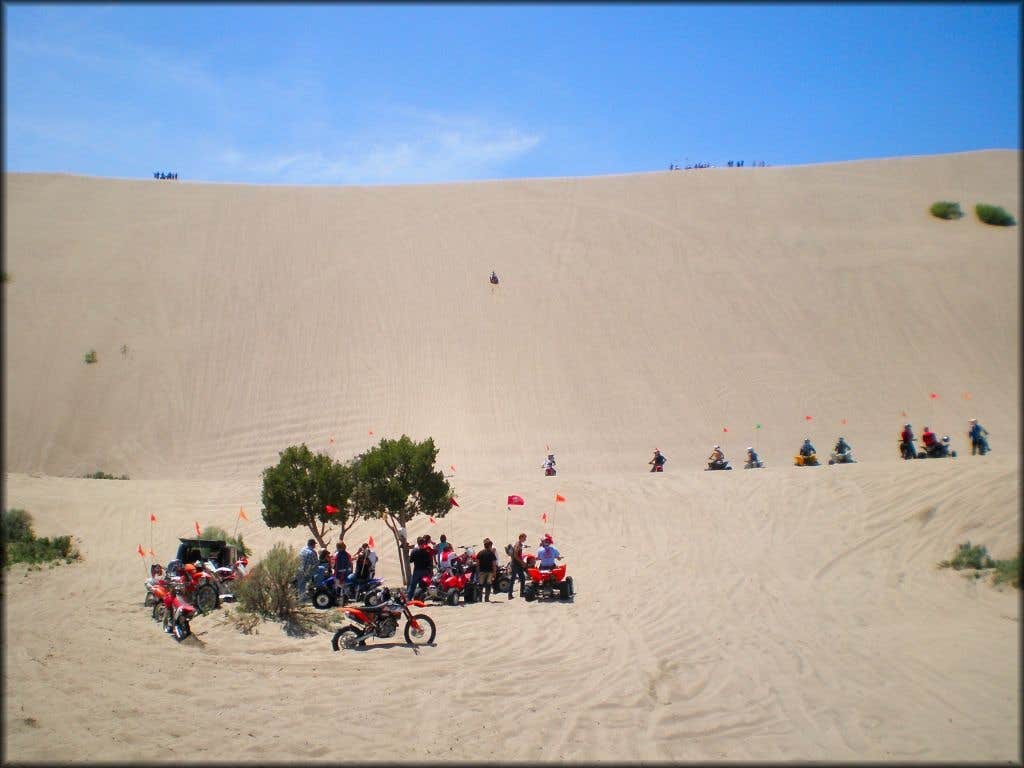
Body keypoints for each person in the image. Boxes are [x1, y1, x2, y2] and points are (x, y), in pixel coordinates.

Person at [507, 532, 528, 599]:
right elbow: (516, 555)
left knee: (519, 578)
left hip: (516, 564)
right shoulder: (518, 544)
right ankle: (512, 594)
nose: (525, 539)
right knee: (517, 579)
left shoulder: (519, 544)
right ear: (521, 537)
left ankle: (517, 594)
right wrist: (522, 562)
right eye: (524, 538)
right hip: (516, 564)